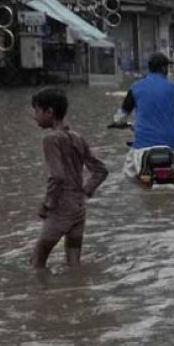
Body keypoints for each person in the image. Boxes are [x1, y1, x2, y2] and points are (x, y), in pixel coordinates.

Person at [31, 88, 108, 269]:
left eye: (36, 111)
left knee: (36, 261)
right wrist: (85, 192)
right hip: (79, 208)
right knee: (74, 263)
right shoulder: (77, 137)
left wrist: (47, 204)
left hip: (61, 208)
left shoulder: (51, 139)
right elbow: (101, 170)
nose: (34, 116)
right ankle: (76, 292)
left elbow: (57, 176)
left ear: (49, 112)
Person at [114, 52, 174, 179]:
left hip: (142, 146)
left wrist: (118, 122)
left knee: (128, 174)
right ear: (164, 69)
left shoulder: (136, 87)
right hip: (172, 146)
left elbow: (123, 114)